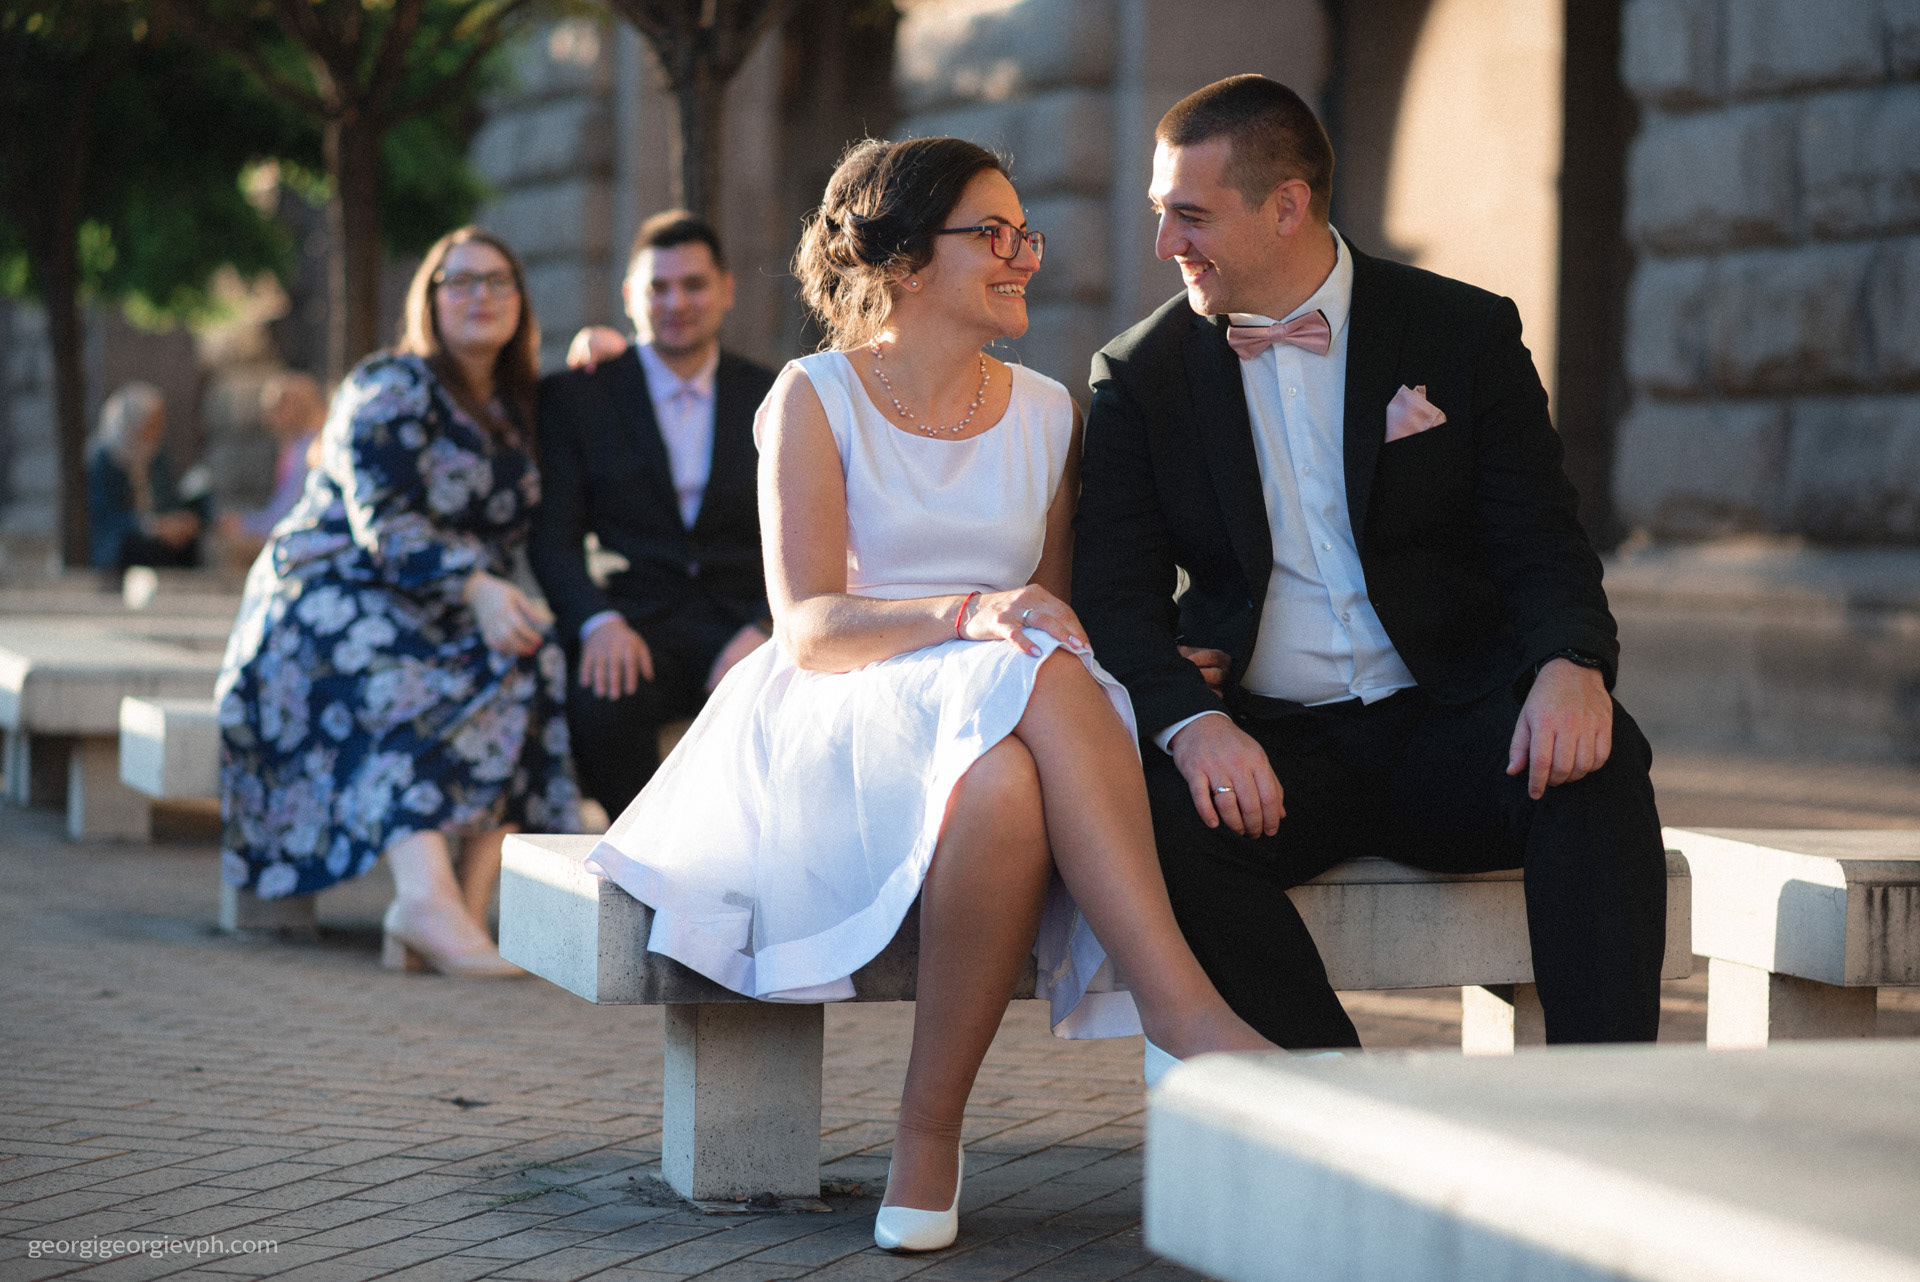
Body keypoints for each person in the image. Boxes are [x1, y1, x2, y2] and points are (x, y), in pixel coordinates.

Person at [587, 137, 1273, 1255]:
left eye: (1024, 233)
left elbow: (1055, 613)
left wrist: (1145, 659)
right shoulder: (813, 396)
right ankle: (1183, 1009)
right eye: (992, 235)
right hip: (842, 708)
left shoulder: (1048, 411)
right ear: (905, 261)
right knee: (1026, 672)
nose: (1024, 256)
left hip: (996, 711)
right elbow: (809, 626)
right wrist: (968, 611)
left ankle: (928, 1134)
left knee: (1002, 782)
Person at [1073, 75, 1669, 1051]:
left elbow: (1540, 539)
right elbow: (1114, 598)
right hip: (1271, 747)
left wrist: (1571, 663)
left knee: (1600, 767)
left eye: (1191, 215)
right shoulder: (1142, 375)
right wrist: (1191, 724)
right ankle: (1339, 1100)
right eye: (1159, 212)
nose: (1165, 242)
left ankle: (1600, 1097)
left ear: (1287, 205)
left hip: (1450, 720)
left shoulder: (1462, 330)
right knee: (1158, 817)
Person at [216, 226, 579, 977]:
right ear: (430, 300)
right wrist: (477, 587)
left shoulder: (518, 405)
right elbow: (383, 525)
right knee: (394, 672)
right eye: (461, 281)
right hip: (327, 593)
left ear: (520, 301)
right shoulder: (388, 385)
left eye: (498, 281)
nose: (480, 296)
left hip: (440, 606)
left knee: (531, 652)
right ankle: (423, 898)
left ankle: (459, 912)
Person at [530, 212, 778, 817]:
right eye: (657, 288)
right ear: (629, 297)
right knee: (601, 701)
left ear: (726, 289)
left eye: (694, 285)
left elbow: (806, 530)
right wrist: (596, 622)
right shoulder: (577, 396)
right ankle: (640, 852)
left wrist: (767, 627)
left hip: (742, 621)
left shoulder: (774, 394)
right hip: (634, 619)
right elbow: (553, 538)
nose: (676, 303)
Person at [88, 382, 207, 570]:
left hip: (156, 533)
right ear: (134, 421)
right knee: (138, 547)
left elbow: (165, 499)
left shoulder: (156, 455)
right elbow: (106, 517)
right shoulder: (104, 459)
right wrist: (151, 526)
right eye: (152, 423)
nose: (157, 430)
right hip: (120, 542)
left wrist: (179, 520)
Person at [217, 371, 326, 563]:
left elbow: (289, 511)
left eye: (277, 408)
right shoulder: (296, 445)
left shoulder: (309, 449)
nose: (267, 417)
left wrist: (245, 524)